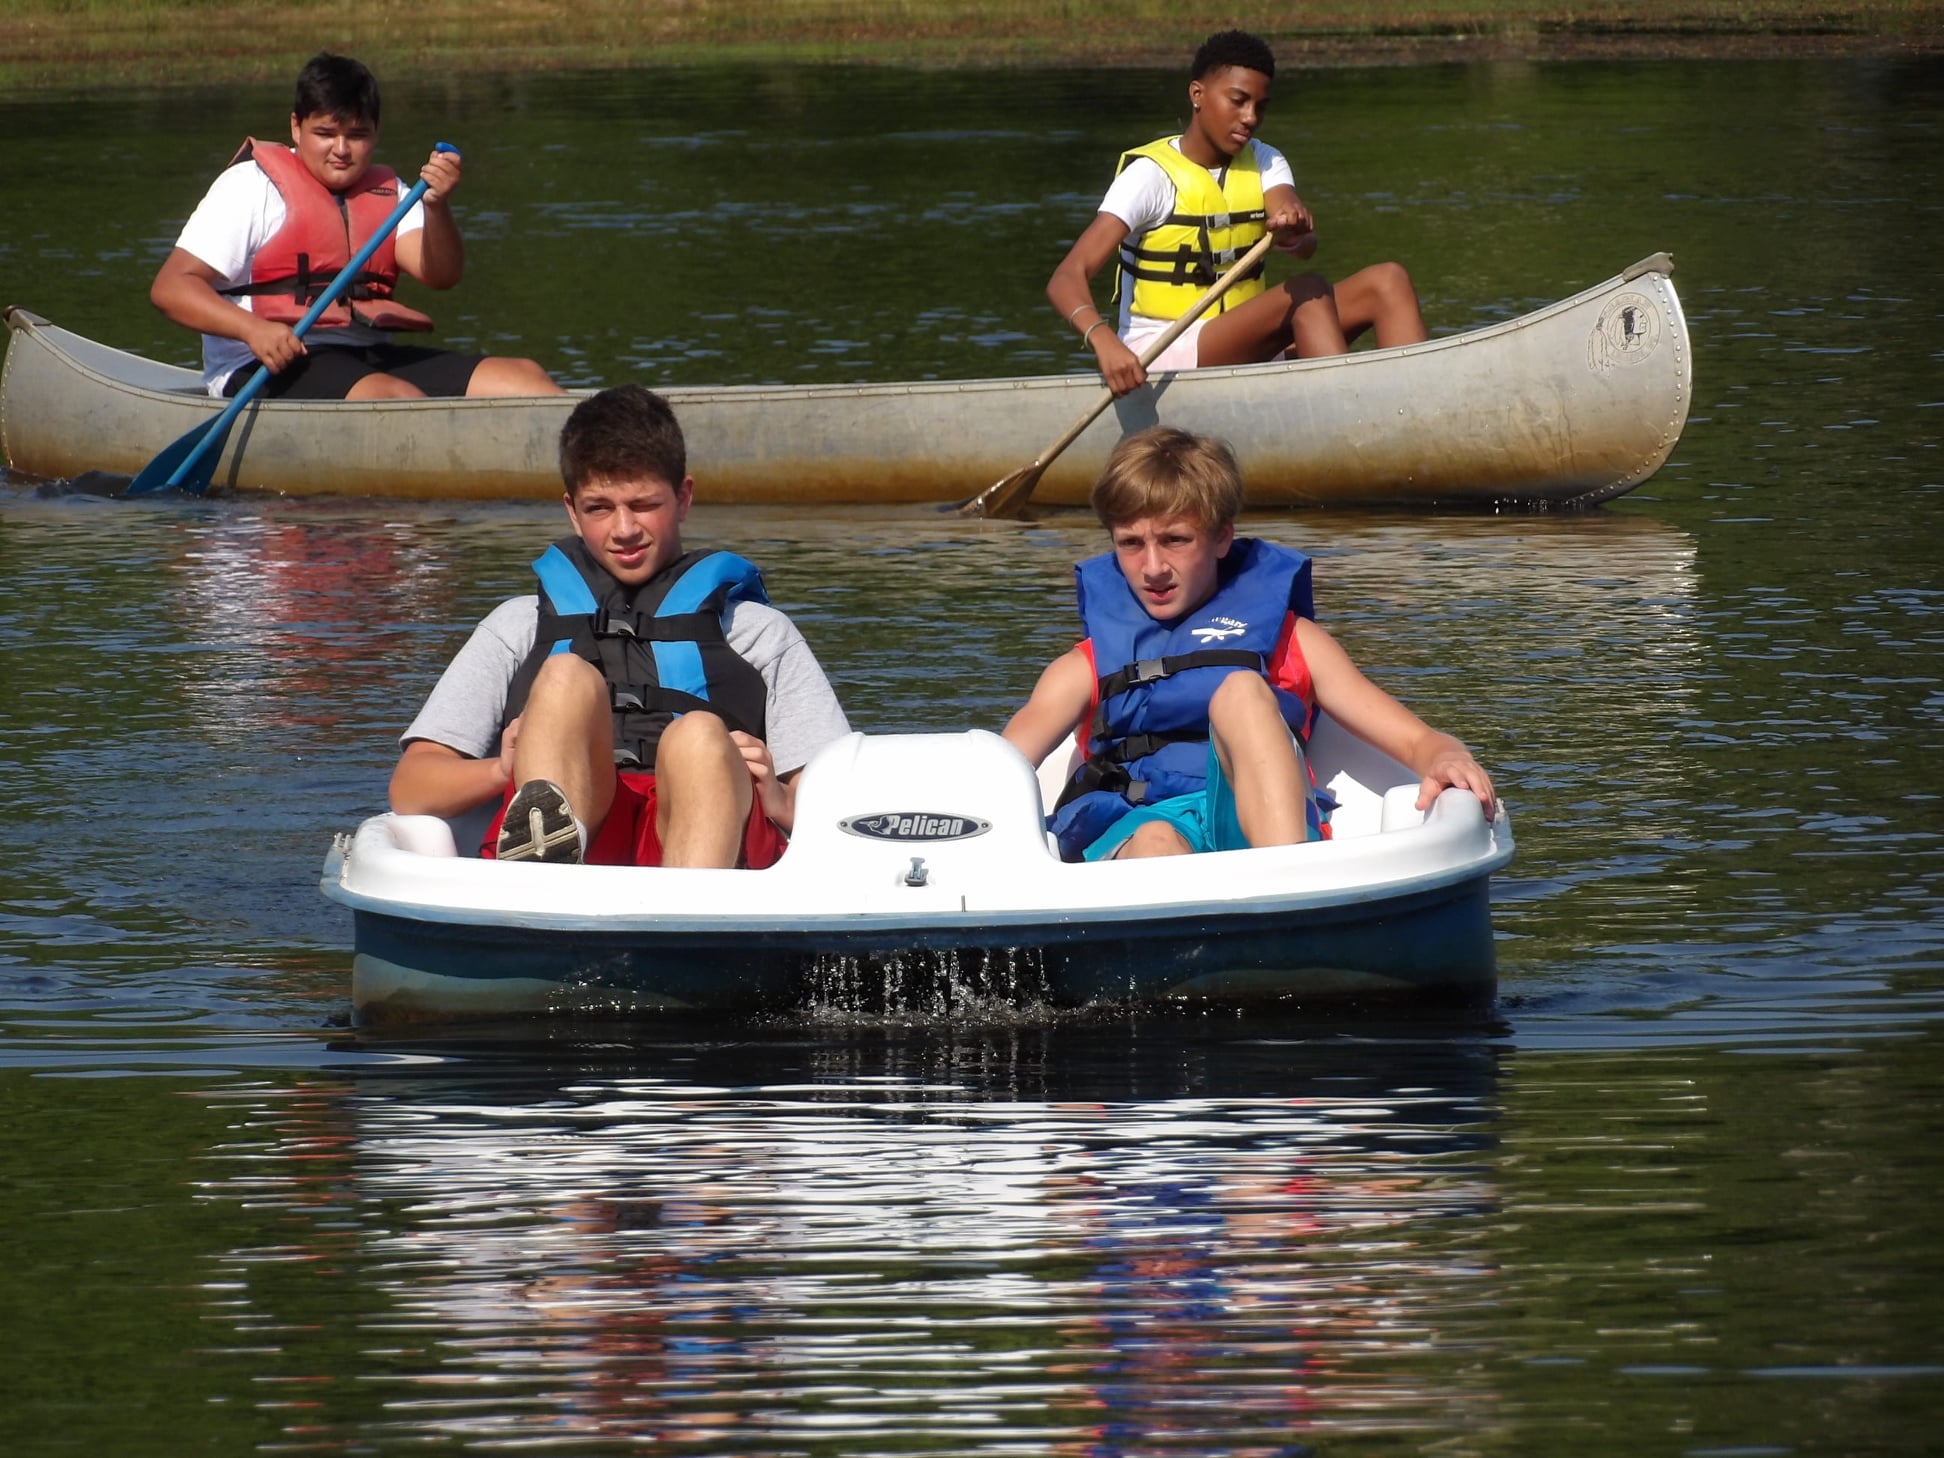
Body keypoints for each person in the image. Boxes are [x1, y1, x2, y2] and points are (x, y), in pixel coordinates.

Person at [389, 384, 850, 868]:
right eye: (599, 508)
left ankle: (687, 920)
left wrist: (780, 797)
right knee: (564, 675)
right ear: (571, 509)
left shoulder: (758, 633)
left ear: (684, 497)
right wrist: (503, 768)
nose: (624, 529)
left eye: (644, 504)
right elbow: (412, 787)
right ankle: (544, 870)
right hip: (590, 825)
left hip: (703, 828)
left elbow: (849, 809)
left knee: (698, 736)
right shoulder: (516, 627)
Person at [1002, 426, 1495, 863]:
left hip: (1258, 832)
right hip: (1140, 832)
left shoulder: (1292, 641)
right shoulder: (1083, 666)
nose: (1152, 568)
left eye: (1175, 540)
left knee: (1242, 690)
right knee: (1155, 840)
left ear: (1221, 537)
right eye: (1131, 543)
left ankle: (1289, 892)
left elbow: (1417, 741)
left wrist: (1447, 758)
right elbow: (997, 767)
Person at [150, 51, 562, 402]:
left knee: (527, 380)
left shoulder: (392, 192)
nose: (342, 151)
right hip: (262, 364)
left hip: (367, 358)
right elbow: (171, 289)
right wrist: (253, 330)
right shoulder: (249, 186)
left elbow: (440, 275)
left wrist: (436, 206)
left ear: (377, 131)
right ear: (296, 127)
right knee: (397, 399)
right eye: (325, 134)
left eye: (358, 135)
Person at [1046, 29, 1429, 399]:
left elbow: (1296, 230)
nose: (1250, 117)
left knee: (1388, 281)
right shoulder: (1149, 176)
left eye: (1260, 107)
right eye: (1238, 100)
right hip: (1165, 354)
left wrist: (1295, 232)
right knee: (1307, 290)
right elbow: (1066, 277)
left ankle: (1416, 410)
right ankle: (1351, 419)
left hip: (1246, 344)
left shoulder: (1265, 159)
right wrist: (1103, 341)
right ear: (1198, 94)